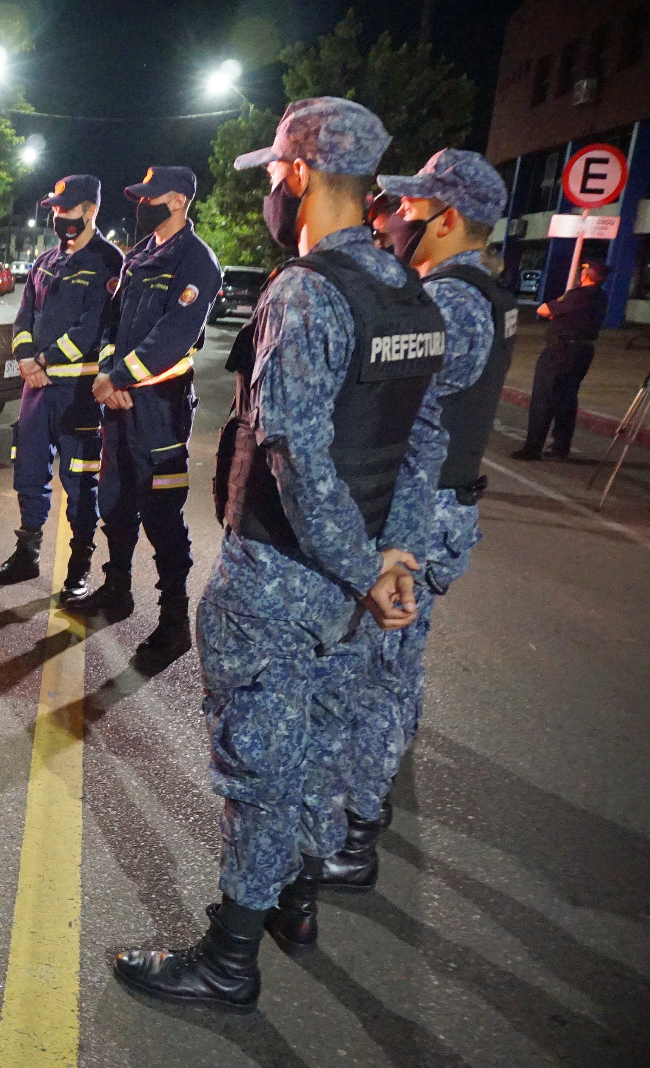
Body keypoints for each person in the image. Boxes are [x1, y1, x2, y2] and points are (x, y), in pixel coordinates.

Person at [112, 98, 446, 1013]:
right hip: (357, 581)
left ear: (298, 174)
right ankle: (296, 903)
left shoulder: (306, 292)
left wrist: (362, 567)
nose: (268, 187)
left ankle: (227, 961)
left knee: (262, 768)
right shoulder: (408, 291)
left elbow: (295, 457)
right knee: (319, 752)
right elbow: (423, 448)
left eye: (271, 173)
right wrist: (395, 559)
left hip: (284, 575)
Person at [307, 150, 514, 898]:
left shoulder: (454, 301)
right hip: (429, 507)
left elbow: (415, 406)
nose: (391, 218)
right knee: (383, 672)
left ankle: (354, 836)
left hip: (422, 514)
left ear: (446, 219)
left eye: (405, 208)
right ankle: (361, 815)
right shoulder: (462, 291)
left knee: (378, 678)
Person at [71, 166, 220, 668]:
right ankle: (117, 592)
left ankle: (174, 623)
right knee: (114, 503)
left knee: (161, 515)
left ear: (178, 200)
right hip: (120, 405)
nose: (142, 205)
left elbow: (174, 337)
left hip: (160, 410)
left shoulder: (196, 262)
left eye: (151, 198)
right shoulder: (139, 256)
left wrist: (119, 378)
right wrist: (110, 372)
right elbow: (114, 320)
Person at [0, 174, 122, 601]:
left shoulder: (108, 261)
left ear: (90, 210)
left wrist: (43, 360)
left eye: (67, 209)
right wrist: (27, 360)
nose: (59, 217)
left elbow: (93, 326)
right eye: (55, 210)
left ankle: (78, 567)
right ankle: (26, 554)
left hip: (79, 393)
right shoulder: (47, 260)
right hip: (36, 388)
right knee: (28, 472)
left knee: (81, 483)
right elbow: (23, 314)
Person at [511, 259, 610, 461]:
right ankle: (560, 446)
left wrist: (557, 312)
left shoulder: (579, 295)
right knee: (566, 399)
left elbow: (544, 309)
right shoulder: (600, 297)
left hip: (562, 351)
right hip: (580, 351)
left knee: (544, 399)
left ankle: (533, 447)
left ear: (584, 275)